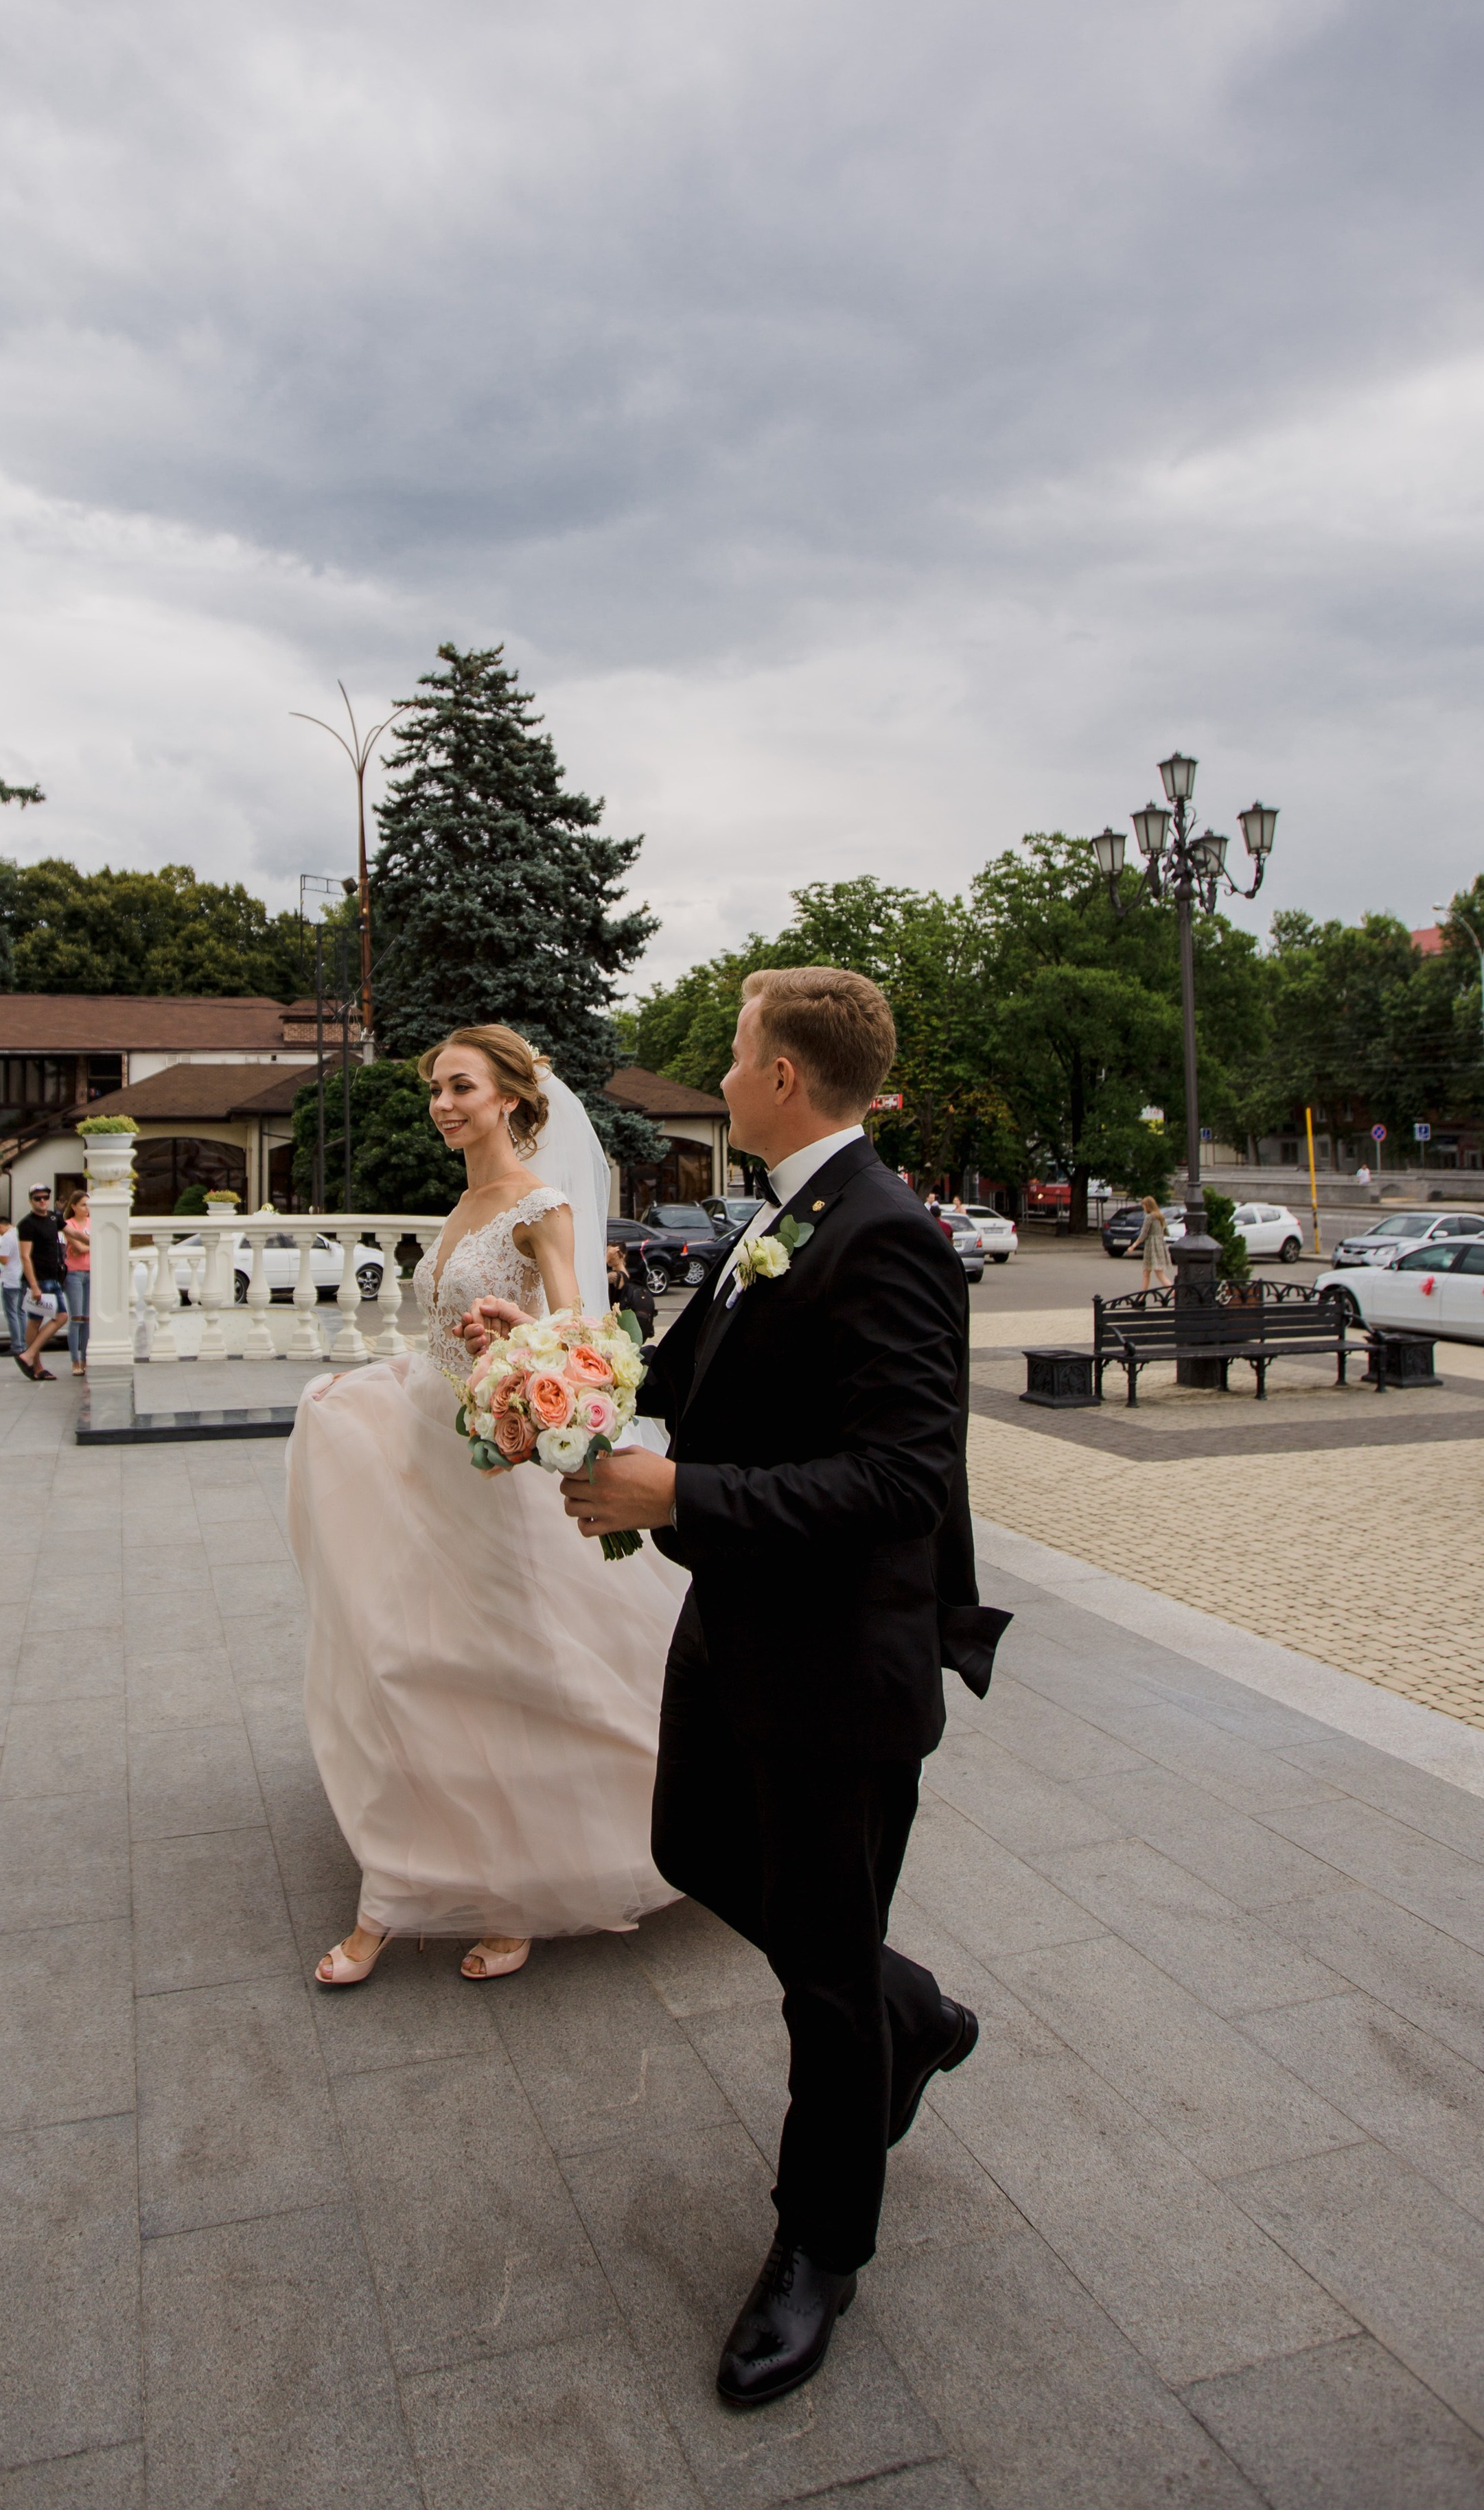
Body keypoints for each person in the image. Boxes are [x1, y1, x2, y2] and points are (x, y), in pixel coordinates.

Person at [537, 967, 1012, 2410]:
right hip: (734, 1632)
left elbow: (897, 1484)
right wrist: (557, 1377)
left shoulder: (885, 1237)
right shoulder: (778, 1212)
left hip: (835, 1669)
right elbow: (690, 1376)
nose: (720, 1072)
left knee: (819, 1980)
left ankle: (819, 2248)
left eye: (736, 1053)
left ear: (789, 1079)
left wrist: (677, 1486)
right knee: (693, 1850)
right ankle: (908, 2011)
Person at [282, 1023, 684, 1990]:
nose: (443, 1106)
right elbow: (439, 1342)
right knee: (408, 1659)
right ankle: (407, 1876)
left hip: (496, 1470)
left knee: (506, 1668)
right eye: (435, 1091)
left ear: (510, 1096)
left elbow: (580, 1341)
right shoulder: (464, 1201)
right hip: (426, 1450)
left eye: (460, 1088)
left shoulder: (541, 1206)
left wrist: (521, 1340)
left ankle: (504, 1895)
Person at [16, 1184, 67, 1381]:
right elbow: (25, 1256)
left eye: (45, 1197)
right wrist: (34, 1285)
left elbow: (73, 1233)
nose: (42, 1201)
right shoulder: (27, 1224)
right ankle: (33, 1362)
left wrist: (95, 1240)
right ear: (31, 1200)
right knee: (39, 1321)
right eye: (37, 1198)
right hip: (39, 1281)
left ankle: (31, 1359)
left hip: (54, 1278)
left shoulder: (54, 1218)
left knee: (59, 1317)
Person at [62, 1189, 92, 1377]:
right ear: (73, 1206)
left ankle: (85, 1358)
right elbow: (79, 1247)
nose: (87, 1208)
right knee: (77, 1318)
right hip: (74, 1274)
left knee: (88, 1319)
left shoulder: (93, 1223)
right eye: (83, 1204)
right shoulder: (68, 1224)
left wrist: (86, 1248)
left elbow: (101, 1244)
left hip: (91, 1273)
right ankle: (75, 1361)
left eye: (88, 1204)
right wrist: (90, 1246)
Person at [605, 1238, 657, 1341]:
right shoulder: (626, 1274)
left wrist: (605, 1258)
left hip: (617, 1325)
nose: (610, 1256)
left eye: (612, 1253)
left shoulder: (618, 1276)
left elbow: (599, 1280)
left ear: (622, 1256)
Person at [0, 1212, 27, 1359]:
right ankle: (24, 1344)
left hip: (10, 1279)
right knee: (21, 1312)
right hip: (22, 1277)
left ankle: (17, 1346)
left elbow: (5, 1260)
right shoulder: (21, 1234)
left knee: (12, 1313)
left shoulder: (7, 1237)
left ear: (0, 1226)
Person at [1126, 1195, 1172, 1293]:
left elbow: (1143, 1234)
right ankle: (1142, 1298)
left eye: (1144, 1206)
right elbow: (1167, 1231)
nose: (1143, 1208)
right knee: (1146, 1273)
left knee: (1158, 1274)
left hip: (1152, 1246)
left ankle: (1173, 1291)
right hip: (1160, 1244)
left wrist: (1133, 1246)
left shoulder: (1149, 1217)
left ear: (1148, 1206)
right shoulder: (1160, 1216)